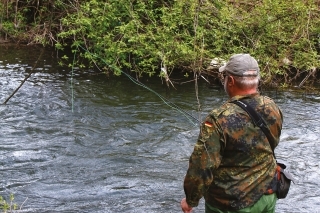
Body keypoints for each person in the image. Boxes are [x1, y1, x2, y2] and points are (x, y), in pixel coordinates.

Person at [181, 54, 283, 213]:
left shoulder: (217, 119)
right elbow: (271, 144)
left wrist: (190, 200)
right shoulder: (272, 107)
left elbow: (202, 166)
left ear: (231, 81)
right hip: (268, 194)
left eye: (225, 76)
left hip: (232, 204)